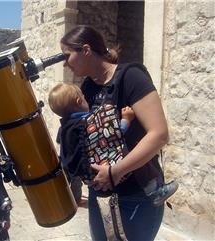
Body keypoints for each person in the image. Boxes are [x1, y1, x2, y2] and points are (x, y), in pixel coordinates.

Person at [59, 25, 177, 241]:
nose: (65, 63)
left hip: (137, 195)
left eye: (67, 56)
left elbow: (159, 134)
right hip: (102, 195)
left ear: (85, 50)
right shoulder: (87, 87)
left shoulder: (130, 77)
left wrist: (115, 171)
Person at [49, 83, 177, 207]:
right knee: (138, 151)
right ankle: (155, 191)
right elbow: (115, 132)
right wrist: (126, 119)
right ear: (78, 101)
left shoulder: (66, 130)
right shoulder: (89, 122)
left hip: (91, 177)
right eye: (83, 97)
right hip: (108, 170)